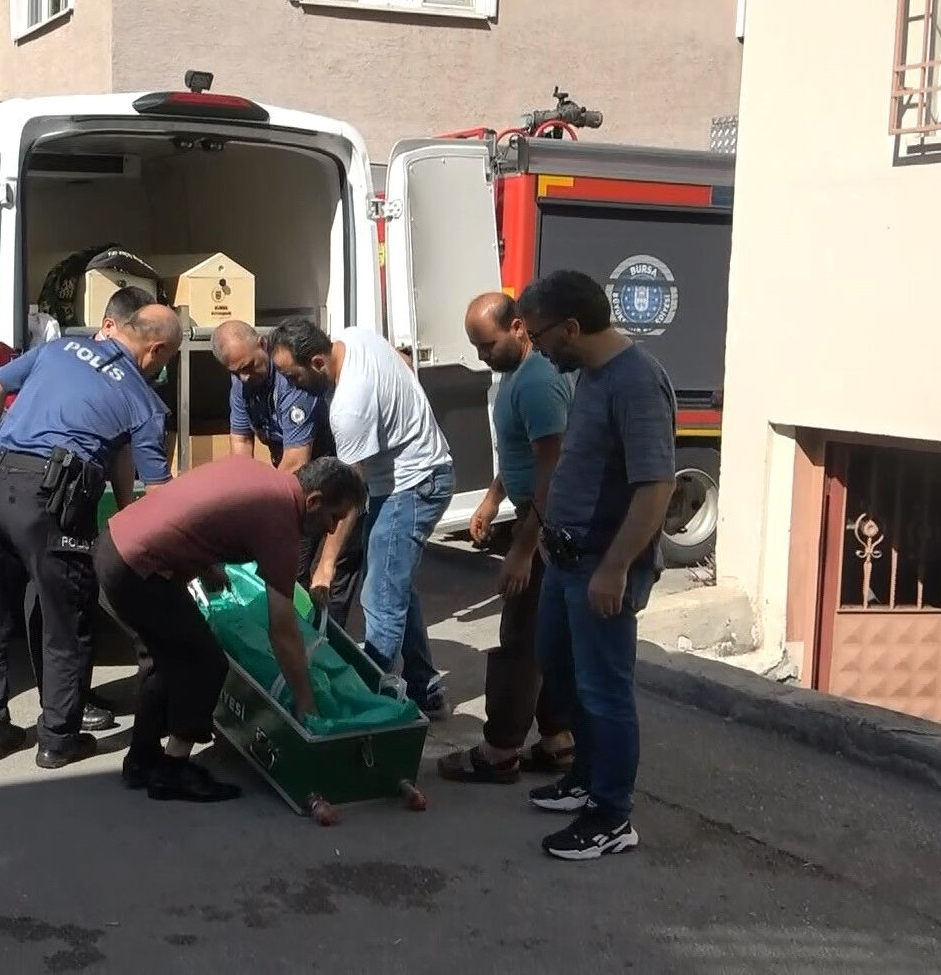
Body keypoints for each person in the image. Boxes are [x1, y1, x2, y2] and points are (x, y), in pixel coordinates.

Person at [0, 305, 182, 768]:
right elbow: (158, 492)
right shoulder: (143, 401)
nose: (163, 367)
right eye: (167, 358)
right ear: (155, 349)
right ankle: (58, 739)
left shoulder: (58, 349)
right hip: (50, 499)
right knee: (66, 622)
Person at [517, 269, 676, 861]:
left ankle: (611, 815)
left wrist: (615, 568)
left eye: (539, 335)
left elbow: (656, 487)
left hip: (600, 566)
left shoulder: (636, 381)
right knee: (562, 671)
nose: (535, 346)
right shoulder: (586, 373)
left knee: (605, 691)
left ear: (573, 328)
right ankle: (585, 776)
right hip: (564, 557)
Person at [97, 455, 365, 802]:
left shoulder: (254, 473)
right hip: (138, 568)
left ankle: (142, 761)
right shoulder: (280, 521)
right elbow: (282, 630)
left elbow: (201, 508)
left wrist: (207, 564)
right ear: (312, 501)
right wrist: (305, 703)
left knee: (163, 657)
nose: (332, 530)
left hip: (114, 545)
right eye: (334, 517)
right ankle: (173, 770)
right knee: (205, 662)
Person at [270, 318, 457, 720]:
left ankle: (371, 711)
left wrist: (325, 565)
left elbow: (348, 498)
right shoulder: (355, 336)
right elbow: (404, 362)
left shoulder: (348, 409)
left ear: (318, 362)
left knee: (379, 600)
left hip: (412, 484)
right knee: (395, 585)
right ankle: (424, 686)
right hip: (419, 471)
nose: (289, 385)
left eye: (292, 375)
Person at [436, 292, 576, 785]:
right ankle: (558, 741)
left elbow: (552, 467)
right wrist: (493, 499)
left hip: (545, 529)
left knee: (519, 640)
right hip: (532, 518)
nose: (481, 357)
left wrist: (522, 547)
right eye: (475, 347)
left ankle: (500, 752)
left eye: (487, 345)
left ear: (518, 327)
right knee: (547, 636)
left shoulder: (537, 381)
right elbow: (521, 456)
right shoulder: (517, 376)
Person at [22, 282, 159, 734]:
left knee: (41, 602)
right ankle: (64, 720)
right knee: (65, 602)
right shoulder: (102, 368)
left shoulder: (64, 352)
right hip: (56, 486)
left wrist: (125, 509)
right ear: (111, 327)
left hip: (23, 478)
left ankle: (0, 725)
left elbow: (120, 448)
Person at [211, 319, 364, 626]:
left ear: (262, 345)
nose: (244, 376)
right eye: (235, 371)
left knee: (327, 579)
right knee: (290, 573)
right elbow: (241, 441)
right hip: (294, 484)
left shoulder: (292, 382)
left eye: (249, 366)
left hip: (330, 480)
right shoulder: (242, 382)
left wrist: (260, 510)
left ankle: (328, 649)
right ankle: (294, 644)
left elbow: (297, 459)